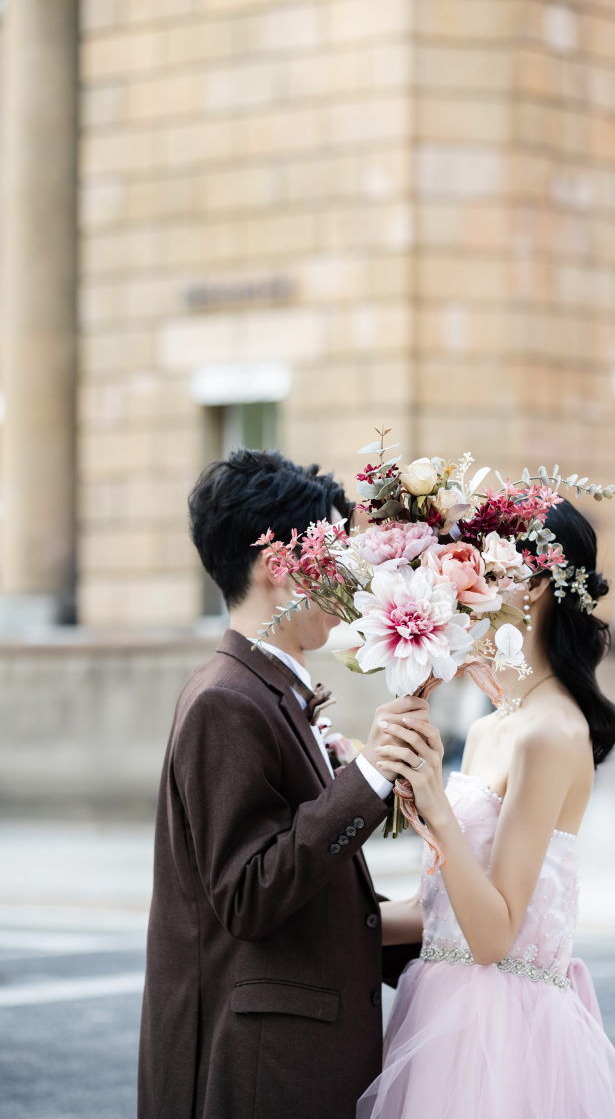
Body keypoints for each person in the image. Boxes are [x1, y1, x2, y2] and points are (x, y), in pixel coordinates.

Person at [138, 449, 422, 1119]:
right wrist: (370, 774)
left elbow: (307, 892)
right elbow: (248, 895)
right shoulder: (226, 701)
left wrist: (439, 917)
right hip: (259, 1067)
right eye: (331, 555)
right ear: (279, 566)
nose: (349, 577)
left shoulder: (270, 692)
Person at [360, 498, 615, 1119]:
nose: (468, 578)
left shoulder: (551, 733)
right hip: (439, 1009)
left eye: (488, 563)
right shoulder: (492, 728)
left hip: (507, 1037)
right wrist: (329, 918)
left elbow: (491, 937)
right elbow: (440, 914)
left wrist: (432, 799)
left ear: (536, 583)